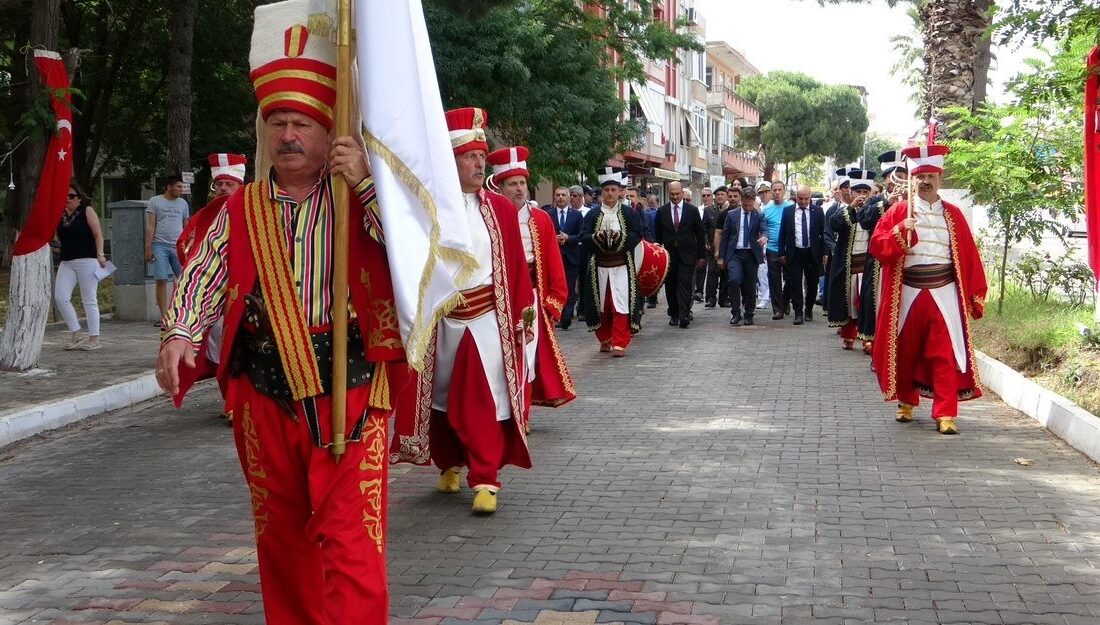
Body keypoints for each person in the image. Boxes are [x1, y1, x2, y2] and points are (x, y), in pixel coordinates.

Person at [156, 2, 401, 621]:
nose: (287, 135)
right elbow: (205, 272)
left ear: (328, 132)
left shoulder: (361, 198)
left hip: (349, 387)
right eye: (276, 123)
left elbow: (410, 255)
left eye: (301, 123)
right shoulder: (243, 209)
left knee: (350, 540)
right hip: (264, 393)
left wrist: (367, 182)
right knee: (282, 539)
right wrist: (181, 332)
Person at [395, 107, 535, 514]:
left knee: (481, 398)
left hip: (488, 319)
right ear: (450, 161)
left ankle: (486, 477)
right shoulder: (428, 208)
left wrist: (523, 318)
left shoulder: (501, 210)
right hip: (442, 320)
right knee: (441, 396)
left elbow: (514, 269)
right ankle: (450, 462)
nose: (479, 163)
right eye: (469, 157)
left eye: (481, 157)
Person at [870, 143, 987, 435]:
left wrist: (974, 294)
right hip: (908, 291)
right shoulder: (899, 212)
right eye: (920, 177)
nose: (925, 182)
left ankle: (946, 411)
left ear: (940, 179)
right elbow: (878, 248)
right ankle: (906, 402)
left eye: (931, 177)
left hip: (944, 291)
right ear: (912, 180)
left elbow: (969, 256)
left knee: (944, 353)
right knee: (906, 350)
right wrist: (899, 232)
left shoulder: (955, 215)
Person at [489, 145, 576, 422]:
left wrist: (552, 304)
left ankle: (521, 414)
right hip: (496, 298)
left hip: (531, 297)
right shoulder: (489, 216)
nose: (519, 189)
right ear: (500, 187)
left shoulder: (540, 219)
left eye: (522, 183)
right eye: (512, 184)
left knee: (525, 357)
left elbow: (552, 263)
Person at [171, 153, 247, 422]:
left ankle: (238, 403)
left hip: (244, 296)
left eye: (230, 184)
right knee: (219, 352)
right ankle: (229, 400)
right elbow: (186, 247)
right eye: (220, 184)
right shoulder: (206, 216)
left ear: (240, 186)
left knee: (240, 350)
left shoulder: (252, 211)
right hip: (213, 297)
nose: (224, 189)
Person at [579, 166, 643, 354]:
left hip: (622, 266)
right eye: (606, 190)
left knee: (620, 303)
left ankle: (620, 342)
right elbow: (584, 237)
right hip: (599, 267)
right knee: (602, 305)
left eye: (613, 190)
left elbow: (637, 234)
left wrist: (620, 240)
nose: (609, 193)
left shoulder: (629, 214)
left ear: (620, 192)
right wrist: (596, 239)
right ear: (601, 193)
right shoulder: (592, 214)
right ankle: (605, 337)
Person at [856, 152, 908, 356]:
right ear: (885, 180)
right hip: (877, 260)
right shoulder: (875, 201)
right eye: (892, 177)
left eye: (902, 176)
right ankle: (873, 341)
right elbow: (864, 220)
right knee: (874, 299)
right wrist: (886, 204)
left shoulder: (912, 201)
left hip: (904, 259)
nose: (897, 181)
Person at [826, 170, 876, 350]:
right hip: (848, 265)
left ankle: (867, 338)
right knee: (848, 302)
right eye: (858, 192)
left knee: (867, 302)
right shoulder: (844, 211)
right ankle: (848, 334)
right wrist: (852, 207)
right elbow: (834, 224)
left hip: (869, 265)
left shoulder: (874, 211)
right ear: (851, 192)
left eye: (865, 192)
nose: (862, 196)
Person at [54, 183, 106, 351]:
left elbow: (98, 234)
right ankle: (76, 332)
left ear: (79, 198)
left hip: (87, 259)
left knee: (89, 299)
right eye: (65, 196)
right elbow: (59, 237)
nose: (67, 200)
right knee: (60, 297)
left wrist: (100, 254)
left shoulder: (86, 211)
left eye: (71, 196)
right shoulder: (61, 216)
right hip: (67, 260)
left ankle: (94, 337)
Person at [654, 181, 705, 328]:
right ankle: (674, 314)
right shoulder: (662, 211)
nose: (675, 197)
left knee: (684, 284)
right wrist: (658, 254)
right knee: (670, 285)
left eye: (677, 194)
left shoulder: (692, 211)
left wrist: (701, 256)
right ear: (668, 194)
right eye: (672, 194)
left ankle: (684, 315)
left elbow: (700, 234)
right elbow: (658, 235)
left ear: (682, 193)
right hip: (669, 256)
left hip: (688, 254)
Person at [717, 184, 766, 326]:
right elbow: (725, 236)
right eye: (745, 205)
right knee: (734, 280)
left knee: (750, 286)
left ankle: (749, 314)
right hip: (735, 254)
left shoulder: (759, 215)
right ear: (741, 201)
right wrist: (721, 256)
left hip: (751, 255)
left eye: (751, 205)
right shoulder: (732, 215)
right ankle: (735, 313)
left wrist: (764, 237)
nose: (748, 208)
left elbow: (764, 230)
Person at [777, 185, 826, 325]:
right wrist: (782, 252)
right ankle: (798, 312)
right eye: (800, 198)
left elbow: (823, 233)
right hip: (795, 252)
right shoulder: (788, 211)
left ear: (810, 198)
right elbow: (782, 233)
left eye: (806, 199)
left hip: (812, 253)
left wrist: (825, 253)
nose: (803, 202)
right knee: (795, 284)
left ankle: (808, 310)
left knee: (812, 284)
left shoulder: (818, 211)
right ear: (796, 197)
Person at [145, 175, 189, 326]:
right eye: (178, 187)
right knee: (161, 279)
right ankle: (164, 316)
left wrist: (188, 245)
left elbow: (186, 225)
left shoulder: (183, 203)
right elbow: (151, 226)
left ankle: (182, 311)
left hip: (178, 245)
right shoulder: (155, 201)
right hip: (159, 245)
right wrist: (148, 247)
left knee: (185, 279)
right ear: (169, 187)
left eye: (182, 187)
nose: (181, 190)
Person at [544, 186, 583, 329]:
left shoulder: (576, 215)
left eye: (563, 195)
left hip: (571, 257)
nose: (560, 197)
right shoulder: (548, 214)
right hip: (554, 257)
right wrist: (553, 239)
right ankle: (557, 313)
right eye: (557, 195)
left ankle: (566, 316)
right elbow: (544, 234)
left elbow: (581, 235)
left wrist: (568, 238)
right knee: (555, 286)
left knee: (570, 287)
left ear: (568, 197)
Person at [761, 181, 791, 319]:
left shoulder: (791, 207)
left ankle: (785, 300)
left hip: (789, 248)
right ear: (771, 192)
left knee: (790, 279)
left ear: (784, 191)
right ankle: (778, 309)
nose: (777, 192)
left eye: (780, 189)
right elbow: (762, 230)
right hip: (772, 248)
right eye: (774, 190)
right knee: (774, 280)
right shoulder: (766, 210)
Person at [703, 186, 736, 308]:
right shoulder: (708, 210)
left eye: (722, 194)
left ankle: (724, 298)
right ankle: (710, 298)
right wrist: (705, 242)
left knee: (725, 273)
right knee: (712, 272)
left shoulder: (731, 210)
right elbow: (704, 229)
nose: (720, 197)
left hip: (727, 247)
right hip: (712, 247)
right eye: (717, 195)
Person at [694, 186, 714, 303]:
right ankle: (699, 291)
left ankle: (710, 294)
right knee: (700, 268)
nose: (706, 197)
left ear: (712, 197)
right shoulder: (697, 210)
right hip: (700, 244)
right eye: (703, 195)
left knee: (712, 270)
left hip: (711, 244)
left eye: (708, 195)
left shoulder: (714, 209)